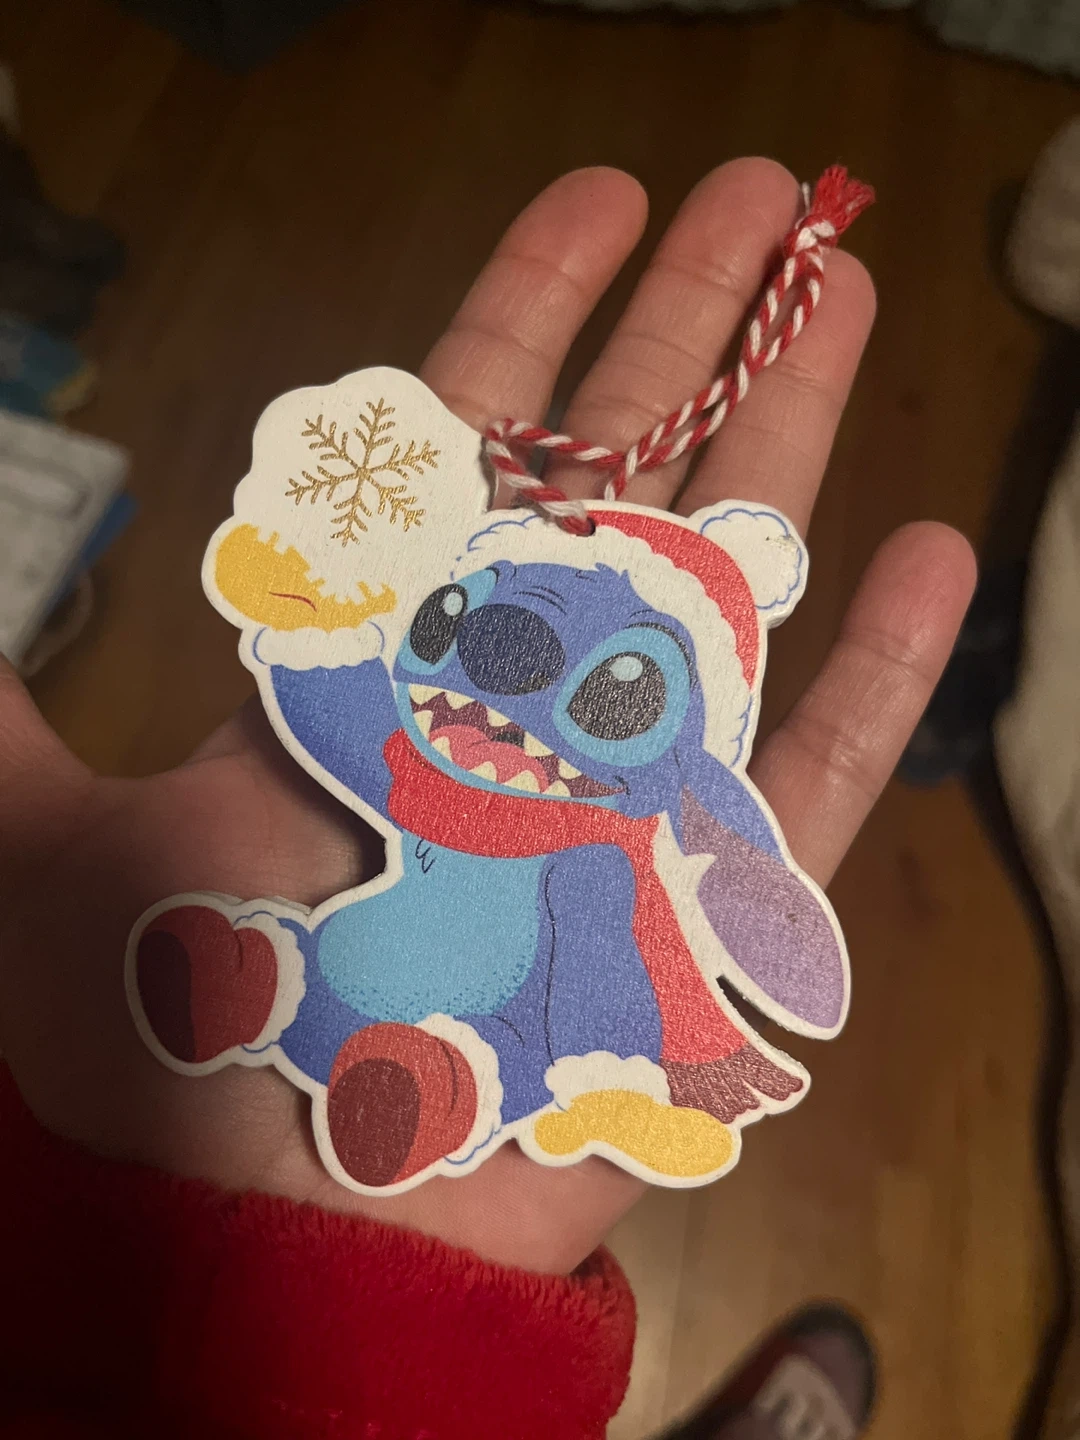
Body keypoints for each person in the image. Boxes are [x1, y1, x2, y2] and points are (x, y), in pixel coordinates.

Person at [0, 158, 975, 1438]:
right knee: (321, 966)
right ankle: (260, 980)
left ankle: (415, 1078)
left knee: (502, 1044)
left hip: (500, 1037)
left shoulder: (614, 861)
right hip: (359, 972)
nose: (513, 690)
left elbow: (661, 956)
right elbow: (350, 723)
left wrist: (681, 1063)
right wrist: (310, 621)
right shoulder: (422, 766)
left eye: (615, 691)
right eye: (470, 627)